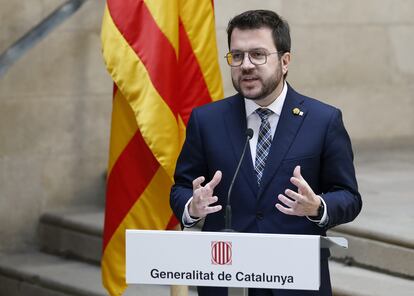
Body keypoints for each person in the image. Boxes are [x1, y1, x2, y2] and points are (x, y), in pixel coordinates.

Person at [170, 9, 362, 296]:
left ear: (285, 61)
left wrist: (318, 207)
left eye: (258, 54)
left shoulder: (323, 120)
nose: (246, 65)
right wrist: (191, 207)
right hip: (227, 278)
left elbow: (349, 196)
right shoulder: (206, 120)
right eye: (237, 56)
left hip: (296, 281)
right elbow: (182, 188)